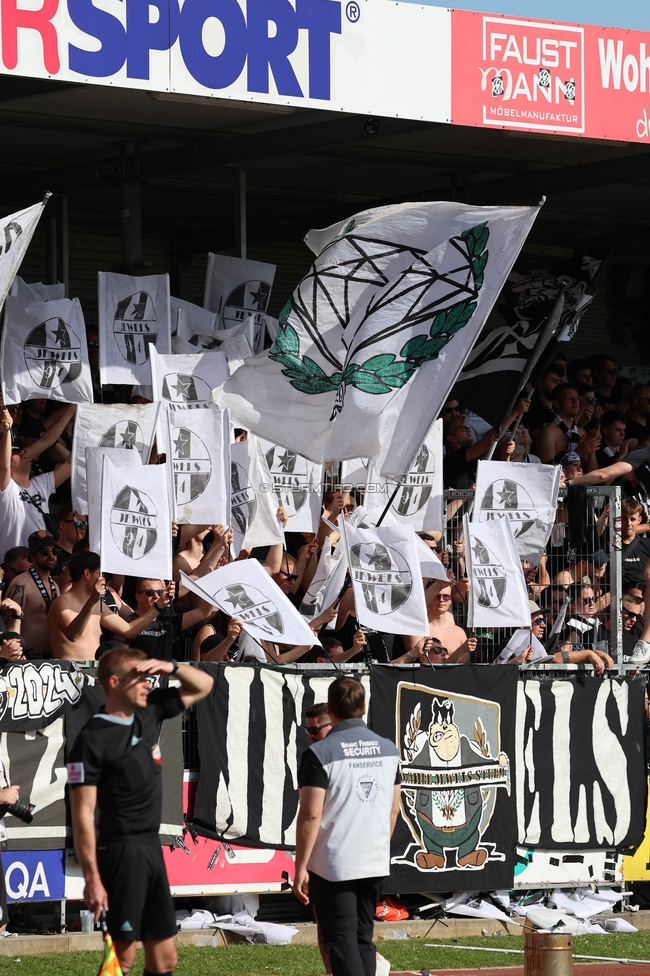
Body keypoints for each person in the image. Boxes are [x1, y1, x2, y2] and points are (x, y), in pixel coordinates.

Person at [69, 647, 214, 974]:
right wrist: (92, 878)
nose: (148, 683)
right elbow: (82, 816)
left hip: (151, 849)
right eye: (139, 677)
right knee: (123, 957)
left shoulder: (150, 711)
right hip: (120, 852)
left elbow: (203, 685)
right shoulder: (91, 739)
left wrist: (171, 666)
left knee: (165, 959)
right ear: (115, 682)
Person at [294, 676, 400, 976]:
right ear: (364, 707)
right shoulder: (389, 749)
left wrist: (301, 866)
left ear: (330, 708)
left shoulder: (318, 754)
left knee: (340, 940)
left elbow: (310, 815)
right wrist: (379, 844)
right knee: (362, 938)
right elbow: (394, 810)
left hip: (335, 863)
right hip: (374, 859)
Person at [48, 552, 179, 661]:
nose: (104, 580)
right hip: (68, 678)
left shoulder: (98, 605)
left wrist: (159, 605)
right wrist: (92, 600)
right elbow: (74, 635)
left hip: (94, 675)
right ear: (87, 573)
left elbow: (129, 630)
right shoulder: (61, 603)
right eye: (101, 574)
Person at [0, 403, 76, 561]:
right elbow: (4, 466)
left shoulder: (41, 483)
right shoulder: (6, 488)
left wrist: (72, 410)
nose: (23, 452)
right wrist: (7, 429)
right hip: (13, 567)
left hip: (39, 565)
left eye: (22, 450)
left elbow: (70, 463)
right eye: (15, 451)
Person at [442, 394, 530, 488]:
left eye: (467, 427)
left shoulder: (471, 458)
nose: (468, 430)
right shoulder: (454, 459)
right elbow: (489, 441)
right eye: (462, 428)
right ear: (451, 438)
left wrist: (506, 457)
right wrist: (515, 411)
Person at [126, 578, 215, 660]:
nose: (156, 596)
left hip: (164, 676)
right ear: (138, 597)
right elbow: (120, 657)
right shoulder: (128, 623)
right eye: (150, 592)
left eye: (160, 592)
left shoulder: (168, 622)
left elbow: (203, 612)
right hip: (139, 675)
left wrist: (215, 584)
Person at [5, 531, 61, 659]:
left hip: (53, 655)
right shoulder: (21, 584)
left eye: (55, 551)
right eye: (45, 552)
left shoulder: (55, 586)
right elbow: (9, 623)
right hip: (28, 657)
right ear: (33, 556)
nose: (51, 555)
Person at [402, 580, 477, 662]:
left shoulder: (459, 632)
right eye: (436, 596)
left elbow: (463, 668)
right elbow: (423, 665)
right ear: (430, 597)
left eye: (446, 596)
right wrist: (461, 651)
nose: (441, 599)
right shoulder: (417, 630)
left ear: (450, 600)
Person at [533, 384, 594, 463]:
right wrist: (578, 453)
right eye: (570, 398)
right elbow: (549, 469)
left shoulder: (582, 433)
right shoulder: (548, 432)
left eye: (577, 398)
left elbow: (593, 471)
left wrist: (592, 451)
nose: (575, 402)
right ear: (557, 403)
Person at [53, 504, 88, 586]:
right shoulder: (52, 552)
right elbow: (56, 586)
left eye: (85, 524)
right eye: (78, 523)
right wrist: (79, 557)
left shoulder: (84, 551)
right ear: (63, 525)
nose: (83, 527)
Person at [619, 499, 650, 589]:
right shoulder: (609, 545)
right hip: (619, 597)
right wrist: (612, 576)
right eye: (624, 519)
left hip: (643, 598)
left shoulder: (647, 544)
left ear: (639, 520)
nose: (629, 523)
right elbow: (597, 578)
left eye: (632, 519)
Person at [525, 364, 564, 432]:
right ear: (541, 384)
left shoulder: (560, 409)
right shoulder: (531, 407)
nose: (558, 385)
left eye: (560, 381)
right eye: (554, 381)